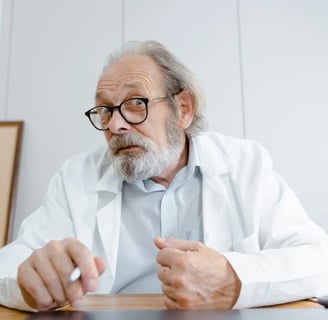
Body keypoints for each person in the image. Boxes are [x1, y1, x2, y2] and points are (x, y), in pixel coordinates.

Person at [1, 40, 328, 312]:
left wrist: (233, 278)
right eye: (105, 110)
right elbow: (9, 266)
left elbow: (318, 260)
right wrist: (29, 283)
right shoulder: (75, 177)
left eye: (135, 103)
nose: (116, 125)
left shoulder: (246, 166)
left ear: (183, 109)